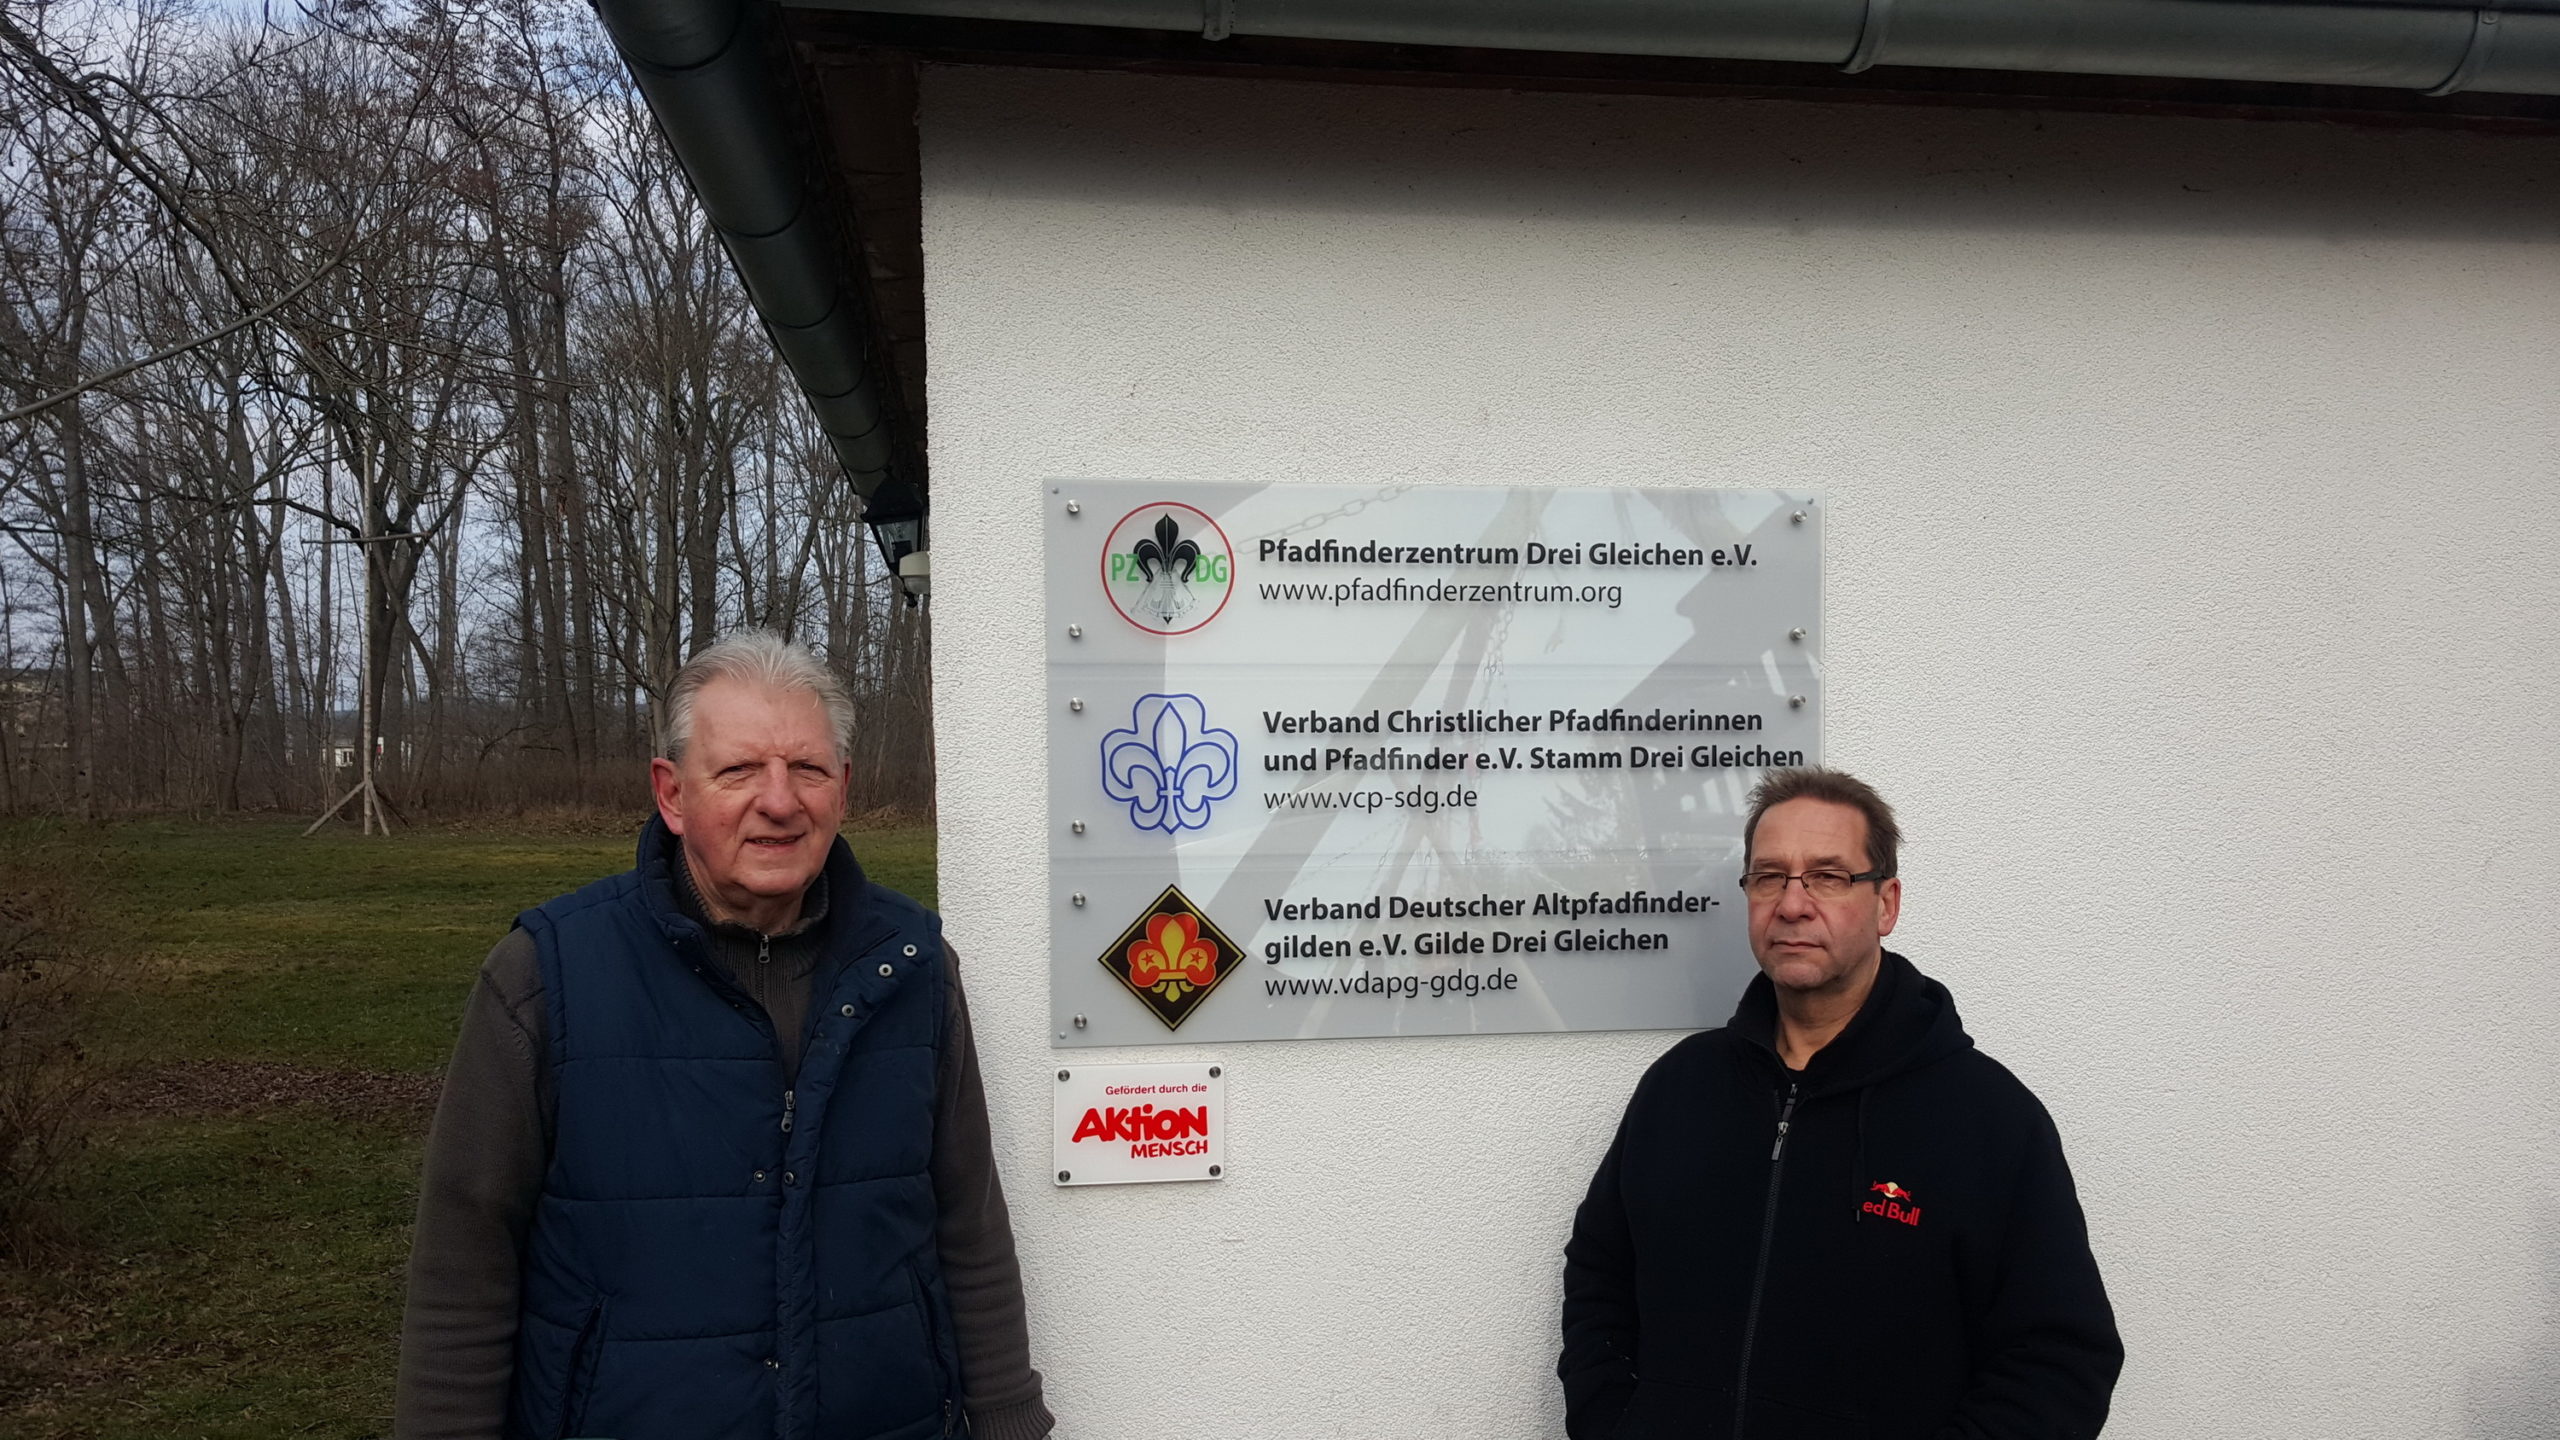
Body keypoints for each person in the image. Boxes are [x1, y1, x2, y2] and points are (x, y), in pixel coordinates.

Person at [395, 630, 1053, 1440]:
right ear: (671, 794)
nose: (779, 801)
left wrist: (1010, 1418)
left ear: (843, 787)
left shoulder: (912, 967)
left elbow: (969, 1226)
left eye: (807, 769)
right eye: (739, 770)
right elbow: (464, 1269)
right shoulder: (545, 976)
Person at [1558, 767, 2121, 1439]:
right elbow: (1599, 1275)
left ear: (1887, 903)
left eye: (1828, 876)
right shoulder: (1680, 1088)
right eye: (1769, 877)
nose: (1792, 905)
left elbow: (2060, 1360)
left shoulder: (1988, 1119)